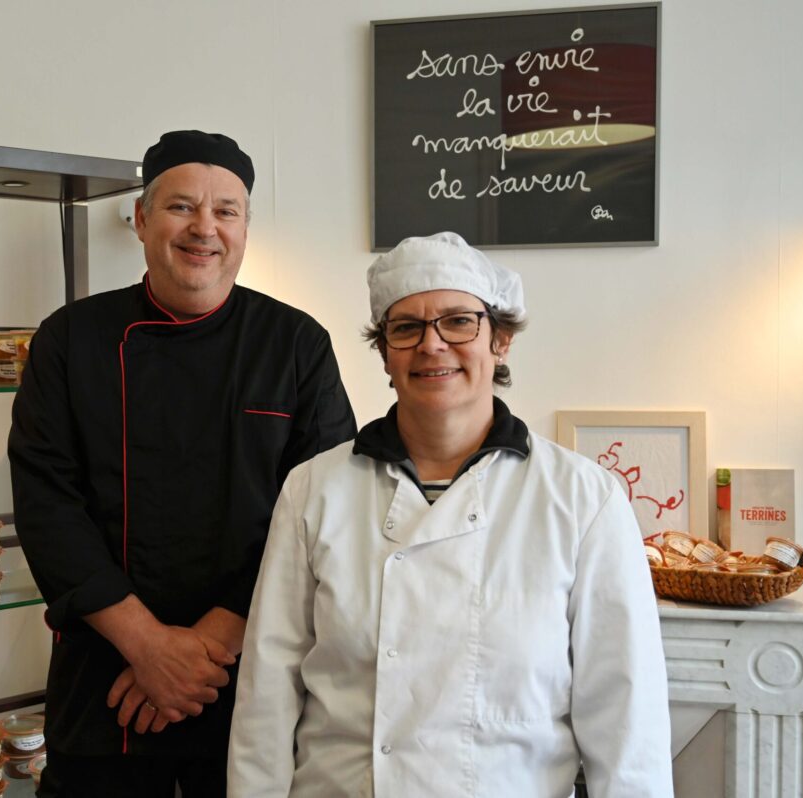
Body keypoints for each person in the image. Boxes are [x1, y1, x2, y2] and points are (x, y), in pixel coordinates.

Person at [227, 232, 673, 797]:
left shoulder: (583, 498)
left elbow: (626, 715)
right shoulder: (315, 489)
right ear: (385, 352)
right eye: (406, 327)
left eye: (459, 322)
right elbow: (267, 693)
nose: (432, 345)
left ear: (500, 340)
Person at [8, 130, 357, 797]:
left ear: (246, 227)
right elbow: (48, 503)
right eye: (180, 207)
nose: (205, 228)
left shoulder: (295, 345)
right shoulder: (70, 339)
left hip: (250, 670)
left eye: (226, 210)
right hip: (107, 676)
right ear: (140, 219)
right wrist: (147, 646)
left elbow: (323, 508)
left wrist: (201, 650)